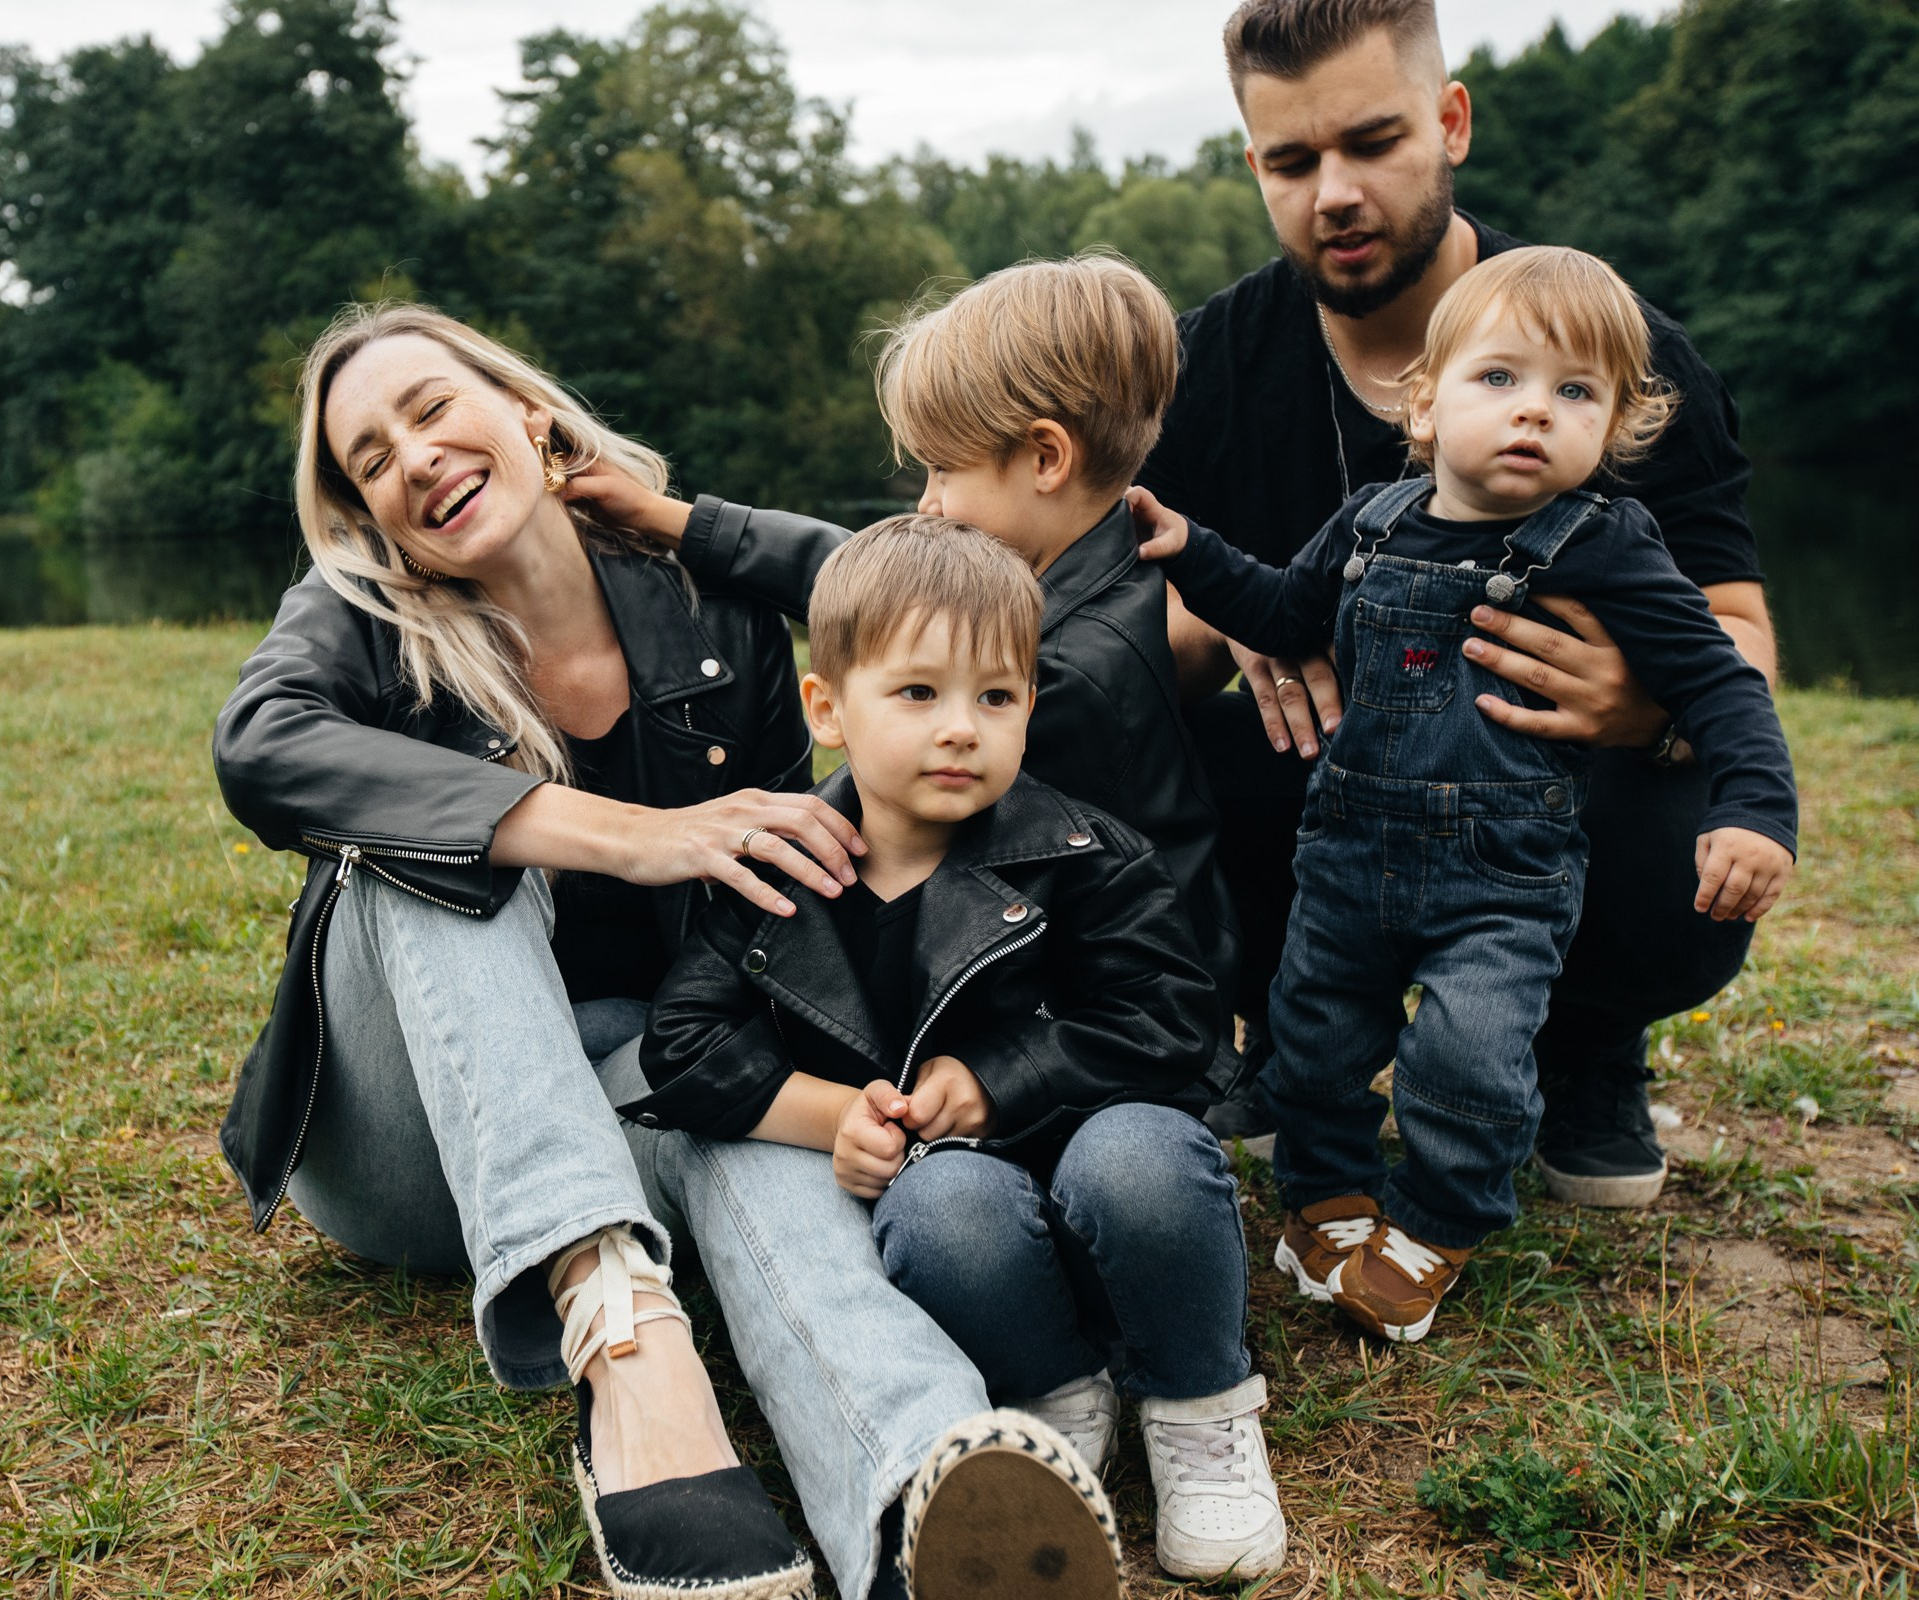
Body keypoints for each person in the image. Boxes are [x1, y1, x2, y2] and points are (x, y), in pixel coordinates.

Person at [212, 302, 1091, 1600]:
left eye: (432, 407)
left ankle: (918, 1479)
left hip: (634, 1092)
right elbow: (259, 744)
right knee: (441, 842)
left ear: (525, 409)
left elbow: (920, 600)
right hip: (414, 1151)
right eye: (369, 459)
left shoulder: (704, 602)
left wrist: (693, 523)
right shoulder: (365, 618)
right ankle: (624, 1347)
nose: (412, 458)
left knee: (742, 1110)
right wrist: (633, 837)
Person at [1140, 0, 1781, 1207]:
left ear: (1451, 124)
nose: (1333, 191)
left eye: (1372, 143)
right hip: (1347, 801)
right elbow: (1111, 645)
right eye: (1292, 160)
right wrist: (1224, 617)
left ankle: (1582, 1036)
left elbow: (1741, 637)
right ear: (1255, 168)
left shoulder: (1609, 354)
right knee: (1147, 731)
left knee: (1699, 772)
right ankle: (1291, 1033)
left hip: (1548, 801)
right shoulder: (1207, 366)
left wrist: (1644, 703)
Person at [1133, 246, 1796, 1343]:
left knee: (1468, 1059)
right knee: (1314, 1035)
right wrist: (1189, 549)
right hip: (1347, 857)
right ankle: (1329, 1197)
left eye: (1575, 393)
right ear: (1426, 403)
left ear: (1614, 429)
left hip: (1504, 877)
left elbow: (1722, 680)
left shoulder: (1608, 546)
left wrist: (1755, 811)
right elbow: (1281, 608)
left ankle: (1437, 1219)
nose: (1536, 411)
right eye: (1502, 379)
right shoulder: (1370, 523)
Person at [623, 516, 1289, 1582]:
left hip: (1112, 1194)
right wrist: (832, 1113)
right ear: (828, 708)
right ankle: (1054, 1390)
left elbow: (1175, 1022)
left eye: (997, 696)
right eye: (919, 693)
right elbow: (687, 1043)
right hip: (969, 1238)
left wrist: (996, 1082)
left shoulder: (1079, 850)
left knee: (1138, 1156)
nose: (961, 729)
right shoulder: (781, 876)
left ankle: (1198, 1400)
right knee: (940, 1204)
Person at [568, 255, 1242, 1088]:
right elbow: (857, 576)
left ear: (1044, 458)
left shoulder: (1066, 675)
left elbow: (1058, 937)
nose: (925, 502)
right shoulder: (1083, 581)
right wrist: (676, 521)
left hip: (1105, 1042)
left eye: (944, 470)